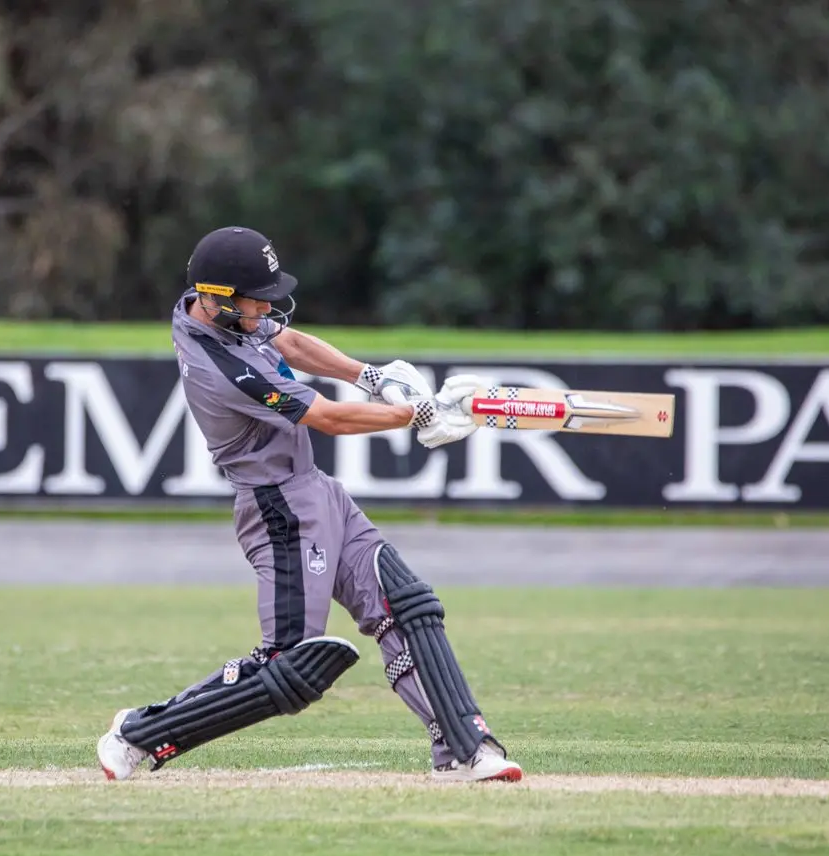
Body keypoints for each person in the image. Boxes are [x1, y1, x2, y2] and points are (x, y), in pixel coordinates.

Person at [95, 226, 521, 783]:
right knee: (290, 664)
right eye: (257, 299)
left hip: (316, 490)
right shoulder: (220, 368)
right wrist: (416, 414)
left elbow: (289, 342)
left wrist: (373, 377)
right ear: (219, 299)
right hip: (280, 512)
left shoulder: (217, 311)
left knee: (408, 605)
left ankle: (467, 750)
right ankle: (140, 735)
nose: (267, 307)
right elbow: (327, 418)